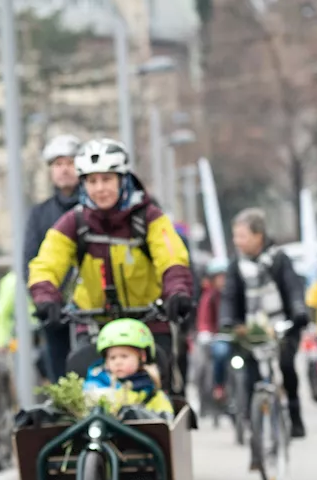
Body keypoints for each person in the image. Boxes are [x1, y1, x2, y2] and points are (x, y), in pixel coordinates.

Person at [26, 137, 196, 391]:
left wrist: (177, 291)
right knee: (84, 395)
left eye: (107, 179)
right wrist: (45, 296)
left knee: (162, 391)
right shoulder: (74, 222)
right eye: (92, 181)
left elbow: (171, 256)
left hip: (147, 320)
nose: (100, 188)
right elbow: (47, 262)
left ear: (123, 179)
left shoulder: (149, 217)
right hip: (94, 324)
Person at [220, 207, 311, 439]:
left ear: (258, 236)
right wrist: (227, 320)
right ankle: (253, 423)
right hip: (250, 329)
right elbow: (230, 295)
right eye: (235, 236)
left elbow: (292, 288)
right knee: (249, 374)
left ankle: (294, 415)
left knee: (287, 367)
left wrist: (299, 310)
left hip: (281, 325)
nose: (237, 241)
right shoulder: (235, 265)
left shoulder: (280, 259)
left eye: (242, 236)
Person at [24, 134, 83, 381]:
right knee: (59, 372)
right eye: (58, 164)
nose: (64, 170)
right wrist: (44, 299)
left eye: (69, 163)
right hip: (55, 309)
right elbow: (31, 259)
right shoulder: (40, 213)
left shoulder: (94, 208)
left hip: (94, 306)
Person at [82, 318, 175, 421]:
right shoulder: (97, 383)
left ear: (142, 356)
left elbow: (165, 421)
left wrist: (138, 414)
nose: (118, 362)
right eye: (112, 358)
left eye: (124, 356)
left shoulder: (151, 390)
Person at [196, 258, 231, 400]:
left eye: (225, 276)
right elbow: (204, 318)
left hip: (238, 336)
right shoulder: (209, 296)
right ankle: (219, 385)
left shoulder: (234, 293)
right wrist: (205, 332)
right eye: (219, 277)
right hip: (218, 337)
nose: (223, 280)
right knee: (220, 353)